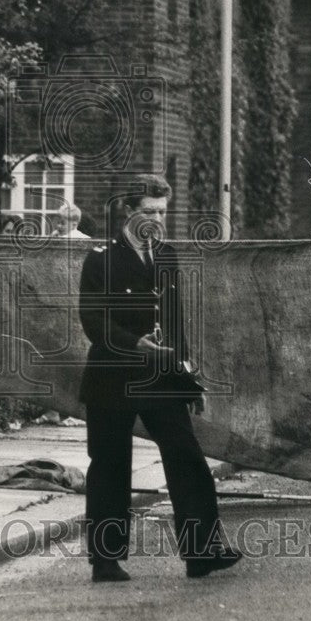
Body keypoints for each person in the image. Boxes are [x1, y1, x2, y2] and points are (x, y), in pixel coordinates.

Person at [78, 173, 240, 582]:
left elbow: (175, 321)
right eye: (149, 211)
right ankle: (105, 559)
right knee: (111, 466)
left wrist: (187, 378)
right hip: (112, 378)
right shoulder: (101, 259)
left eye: (163, 212)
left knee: (187, 459)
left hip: (161, 380)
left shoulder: (166, 254)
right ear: (128, 212)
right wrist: (135, 345)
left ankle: (202, 551)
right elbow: (93, 322)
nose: (156, 220)